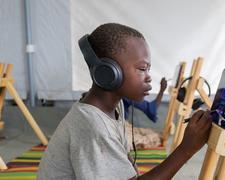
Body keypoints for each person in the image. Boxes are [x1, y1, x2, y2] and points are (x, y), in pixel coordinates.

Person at [37, 23, 211, 179]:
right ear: (108, 72)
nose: (149, 77)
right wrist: (185, 150)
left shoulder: (113, 105)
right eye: (142, 68)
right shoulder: (94, 127)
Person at [123, 77, 167, 150]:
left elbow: (150, 108)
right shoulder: (123, 91)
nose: (149, 78)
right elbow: (151, 109)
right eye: (142, 69)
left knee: (154, 134)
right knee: (155, 138)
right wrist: (162, 90)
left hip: (123, 125)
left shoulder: (122, 89)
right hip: (118, 129)